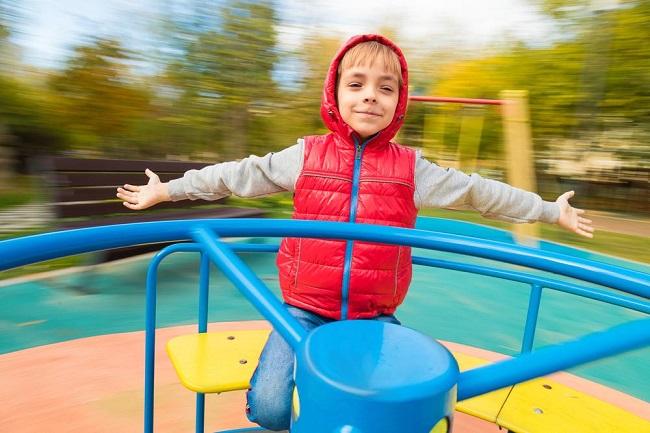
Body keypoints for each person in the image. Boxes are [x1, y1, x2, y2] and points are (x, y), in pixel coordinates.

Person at [117, 34, 594, 431]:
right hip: (302, 311)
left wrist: (549, 210)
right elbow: (235, 175)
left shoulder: (412, 169)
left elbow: (479, 192)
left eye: (385, 88)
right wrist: (170, 191)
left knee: (384, 412)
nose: (370, 95)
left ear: (398, 102)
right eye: (357, 84)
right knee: (269, 406)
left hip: (373, 318)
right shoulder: (304, 156)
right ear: (336, 93)